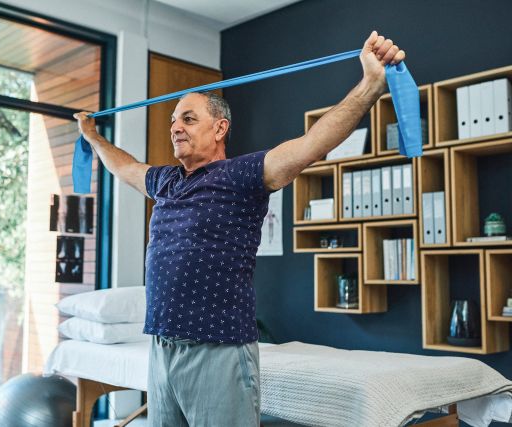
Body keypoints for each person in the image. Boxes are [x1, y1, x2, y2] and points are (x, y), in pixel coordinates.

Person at [74, 30, 405, 427]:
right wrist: (93, 137)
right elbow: (124, 167)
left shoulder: (241, 175)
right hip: (162, 346)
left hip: (219, 348)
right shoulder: (167, 181)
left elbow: (313, 144)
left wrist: (371, 84)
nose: (176, 127)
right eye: (174, 120)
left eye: (189, 118)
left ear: (220, 128)